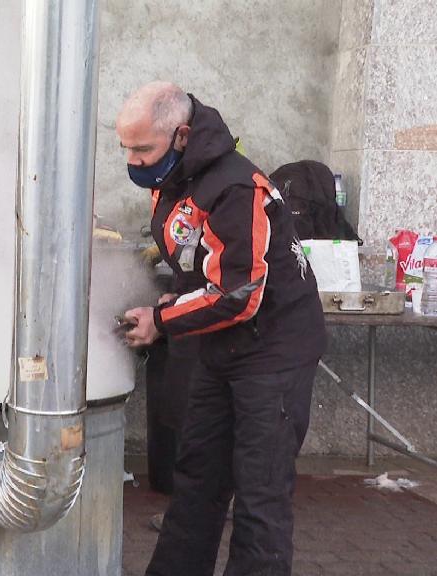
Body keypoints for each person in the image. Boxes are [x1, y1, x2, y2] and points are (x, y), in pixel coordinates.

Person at [118, 81, 326, 576]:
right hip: (222, 346)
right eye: (125, 147)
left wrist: (163, 321)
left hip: (273, 350)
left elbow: (239, 293)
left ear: (182, 135)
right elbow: (204, 259)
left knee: (260, 494)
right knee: (197, 479)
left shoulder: (236, 186)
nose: (133, 160)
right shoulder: (172, 179)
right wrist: (180, 294)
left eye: (143, 148)